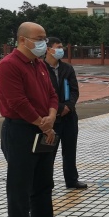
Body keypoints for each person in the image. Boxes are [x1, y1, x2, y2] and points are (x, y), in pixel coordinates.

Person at [0, 22, 69, 217]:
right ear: (22, 40)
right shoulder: (9, 65)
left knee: (43, 183)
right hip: (20, 131)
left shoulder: (39, 64)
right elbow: (17, 101)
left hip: (44, 128)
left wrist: (51, 116)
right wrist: (41, 122)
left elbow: (52, 94)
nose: (43, 43)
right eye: (39, 38)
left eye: (45, 38)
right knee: (20, 188)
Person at [44, 37, 87, 189]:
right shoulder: (41, 69)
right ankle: (46, 182)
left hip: (69, 116)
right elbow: (43, 94)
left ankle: (72, 180)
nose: (61, 50)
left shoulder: (67, 68)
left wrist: (68, 106)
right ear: (48, 49)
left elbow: (74, 90)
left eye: (62, 47)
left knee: (70, 150)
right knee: (49, 152)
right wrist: (58, 108)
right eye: (58, 47)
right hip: (52, 117)